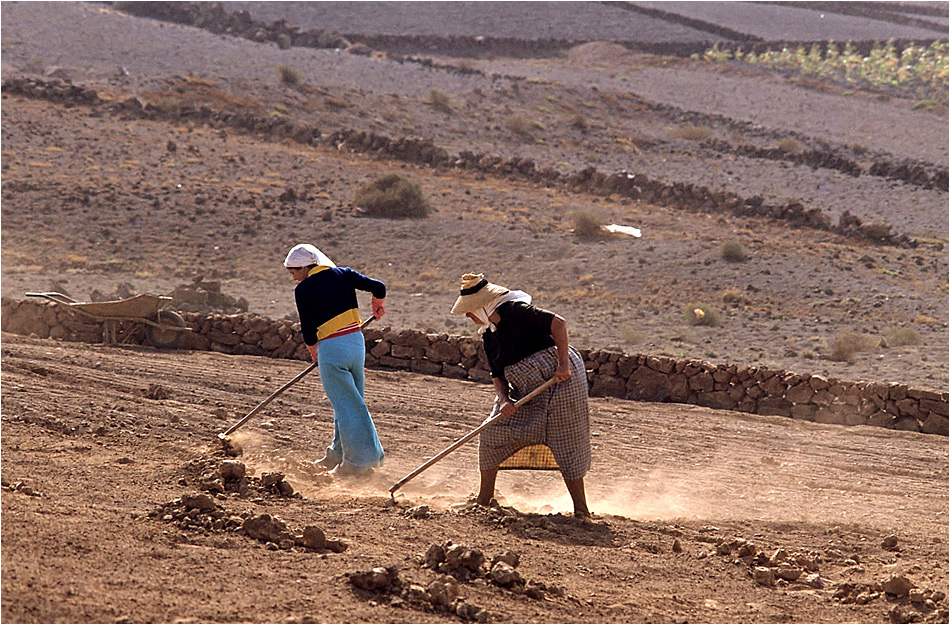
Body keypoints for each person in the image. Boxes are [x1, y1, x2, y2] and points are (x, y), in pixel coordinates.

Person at [450, 272, 592, 517]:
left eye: (470, 309)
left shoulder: (515, 311)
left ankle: (581, 510)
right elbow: (497, 376)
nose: (468, 315)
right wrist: (504, 400)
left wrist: (563, 365)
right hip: (527, 390)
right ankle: (484, 499)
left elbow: (558, 323)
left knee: (567, 441)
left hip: (562, 383)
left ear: (483, 306)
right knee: (492, 433)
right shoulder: (489, 335)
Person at [284, 243, 386, 478]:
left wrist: (314, 352)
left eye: (294, 272)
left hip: (332, 349)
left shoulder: (304, 289)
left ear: (305, 267)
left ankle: (356, 465)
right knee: (349, 403)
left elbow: (308, 330)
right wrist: (377, 304)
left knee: (348, 407)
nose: (293, 278)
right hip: (356, 344)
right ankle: (336, 455)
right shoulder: (344, 274)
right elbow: (379, 287)